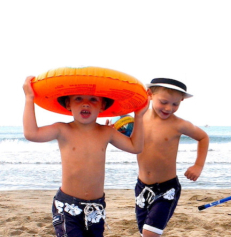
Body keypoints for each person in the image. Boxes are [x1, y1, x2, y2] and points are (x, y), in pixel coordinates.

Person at [23, 76, 148, 237]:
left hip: (96, 207)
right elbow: (31, 134)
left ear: (103, 105)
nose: (86, 103)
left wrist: (139, 116)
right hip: (67, 205)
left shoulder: (106, 132)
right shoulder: (62, 129)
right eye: (78, 98)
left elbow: (135, 147)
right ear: (68, 103)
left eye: (93, 99)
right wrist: (29, 98)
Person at [134, 78, 209, 237]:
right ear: (150, 95)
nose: (169, 108)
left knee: (149, 233)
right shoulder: (137, 120)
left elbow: (203, 137)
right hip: (142, 187)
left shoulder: (178, 124)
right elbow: (129, 144)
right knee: (144, 232)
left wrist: (198, 165)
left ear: (181, 100)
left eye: (175, 104)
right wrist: (116, 132)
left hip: (167, 188)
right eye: (164, 102)